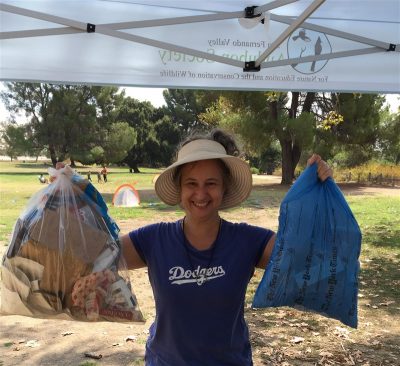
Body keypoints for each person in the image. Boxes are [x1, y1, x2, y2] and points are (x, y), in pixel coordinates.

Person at [120, 129, 332, 366]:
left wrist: (315, 192)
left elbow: (305, 257)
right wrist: (75, 197)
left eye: (211, 183)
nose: (201, 193)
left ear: (224, 188)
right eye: (191, 183)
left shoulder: (247, 240)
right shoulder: (153, 239)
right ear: (180, 189)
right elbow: (97, 255)